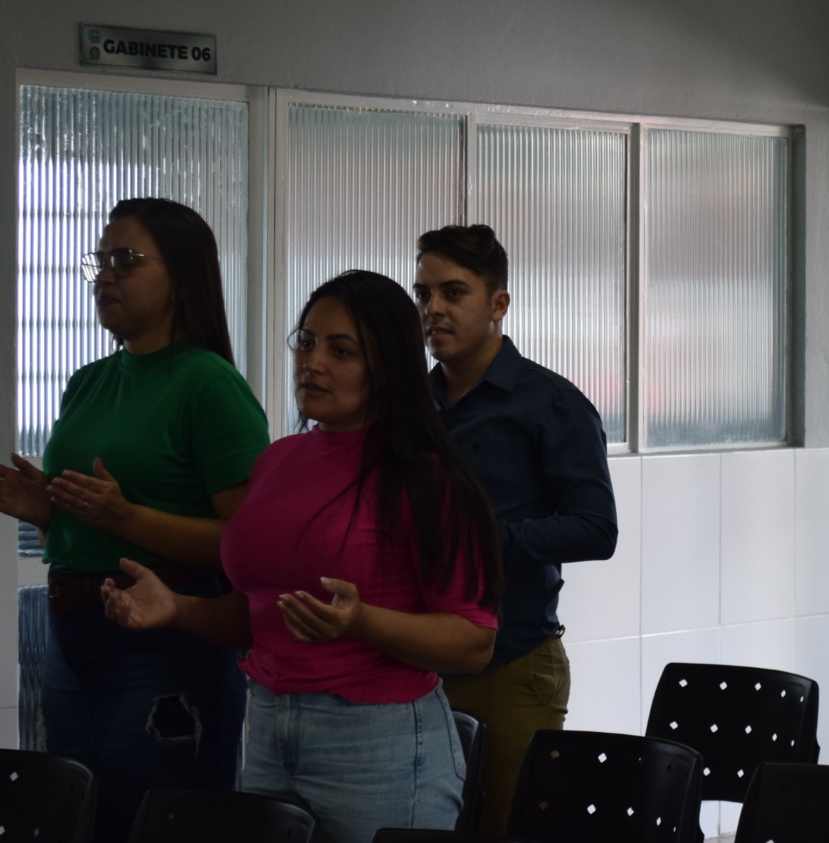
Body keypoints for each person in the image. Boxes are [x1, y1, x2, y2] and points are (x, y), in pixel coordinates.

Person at [103, 269, 503, 843]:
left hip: (377, 741)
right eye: (307, 342)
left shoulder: (426, 479)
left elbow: (473, 641)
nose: (312, 363)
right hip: (269, 725)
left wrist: (361, 621)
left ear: (386, 369)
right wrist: (178, 608)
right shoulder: (279, 461)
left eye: (341, 351)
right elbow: (263, 616)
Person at [0, 197, 269, 843]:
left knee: (156, 823)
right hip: (72, 635)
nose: (104, 276)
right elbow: (79, 532)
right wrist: (46, 514)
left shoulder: (208, 384)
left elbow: (251, 546)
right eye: (98, 261)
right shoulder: (87, 382)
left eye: (125, 260)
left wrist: (127, 518)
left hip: (162, 642)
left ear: (181, 278)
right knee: (77, 819)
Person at [413, 223, 618, 835]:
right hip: (418, 660)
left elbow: (596, 530)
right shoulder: (412, 406)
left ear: (498, 303)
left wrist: (487, 541)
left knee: (507, 830)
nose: (433, 309)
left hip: (512, 664)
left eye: (453, 293)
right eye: (424, 294)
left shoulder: (550, 403)